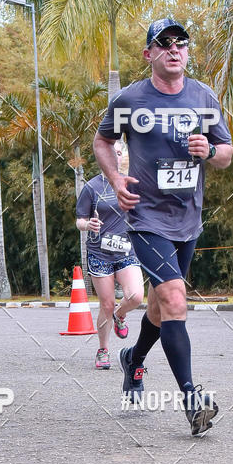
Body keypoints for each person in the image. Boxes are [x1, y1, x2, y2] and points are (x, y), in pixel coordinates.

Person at [93, 18, 233, 435]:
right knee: (174, 298)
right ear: (149, 53)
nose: (174, 49)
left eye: (181, 43)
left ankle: (133, 361)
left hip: (187, 219)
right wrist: (116, 180)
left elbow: (226, 153)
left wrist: (209, 149)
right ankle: (192, 400)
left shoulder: (203, 97)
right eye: (164, 43)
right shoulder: (129, 100)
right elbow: (103, 141)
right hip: (146, 217)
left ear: (187, 52)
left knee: (158, 307)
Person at [76, 141, 144, 369]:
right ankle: (103, 349)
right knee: (106, 304)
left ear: (124, 155)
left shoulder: (133, 183)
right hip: (100, 252)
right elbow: (79, 220)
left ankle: (120, 315)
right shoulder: (92, 187)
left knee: (135, 296)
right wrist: (88, 225)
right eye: (110, 153)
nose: (115, 157)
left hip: (127, 250)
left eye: (118, 152)